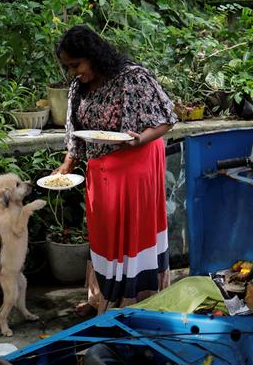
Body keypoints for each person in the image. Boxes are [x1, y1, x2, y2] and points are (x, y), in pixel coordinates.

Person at [52, 25, 177, 315]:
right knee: (104, 234)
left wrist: (141, 138)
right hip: (103, 171)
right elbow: (75, 131)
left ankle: (133, 301)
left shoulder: (132, 77)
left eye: (76, 64)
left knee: (132, 235)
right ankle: (101, 298)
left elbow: (168, 117)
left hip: (137, 164)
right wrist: (67, 165)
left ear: (93, 56)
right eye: (68, 66)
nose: (73, 72)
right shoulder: (78, 87)